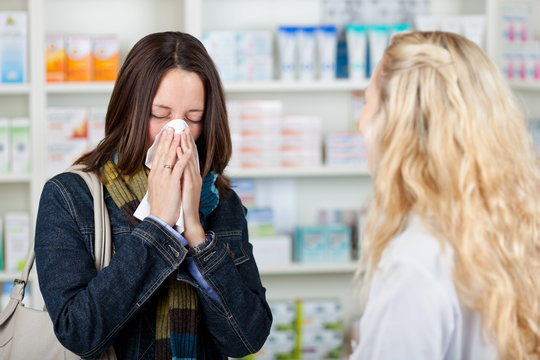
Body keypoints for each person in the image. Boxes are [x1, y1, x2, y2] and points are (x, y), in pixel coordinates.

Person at [34, 31, 272, 359]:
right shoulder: (69, 197)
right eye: (160, 115)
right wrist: (158, 226)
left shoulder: (220, 200)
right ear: (129, 109)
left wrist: (196, 233)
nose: (176, 132)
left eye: (193, 119)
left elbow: (248, 339)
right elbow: (78, 331)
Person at [351, 31, 540, 359]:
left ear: (400, 126)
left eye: (369, 102)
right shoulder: (516, 228)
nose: (360, 122)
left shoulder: (415, 260)